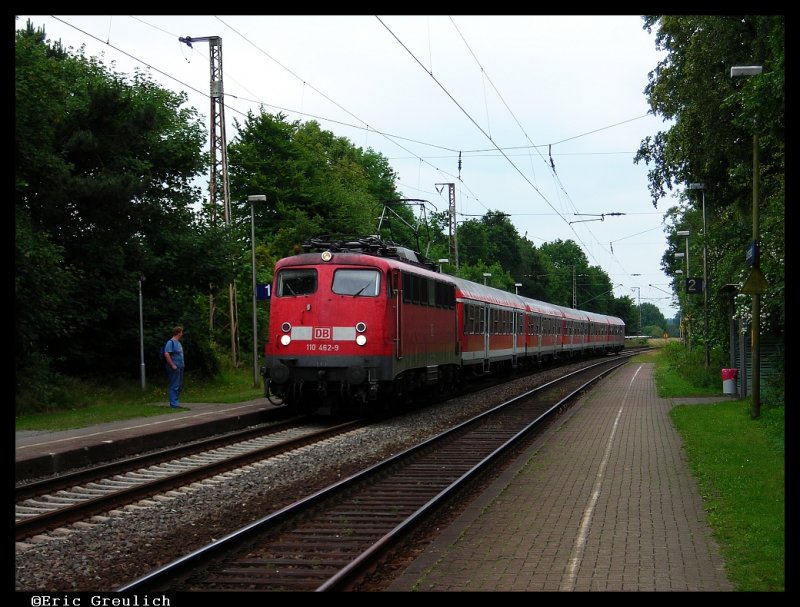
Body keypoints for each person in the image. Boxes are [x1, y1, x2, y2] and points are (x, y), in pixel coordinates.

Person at [163, 326, 185, 408]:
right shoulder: (170, 342)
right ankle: (174, 404)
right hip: (174, 367)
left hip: (180, 366)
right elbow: (166, 354)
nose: (182, 334)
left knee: (179, 385)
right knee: (174, 385)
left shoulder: (178, 343)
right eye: (181, 332)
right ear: (178, 333)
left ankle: (176, 401)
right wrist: (172, 365)